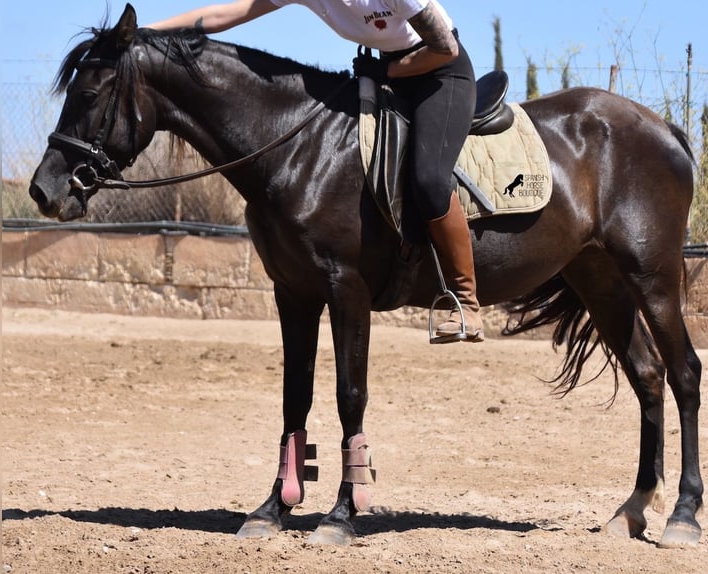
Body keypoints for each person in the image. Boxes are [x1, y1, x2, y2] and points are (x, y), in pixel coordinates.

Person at [146, 0, 483, 342]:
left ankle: (466, 303)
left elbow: (446, 49)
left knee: (428, 179)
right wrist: (147, 33)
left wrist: (389, 73)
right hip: (386, 74)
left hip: (440, 75)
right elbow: (226, 14)